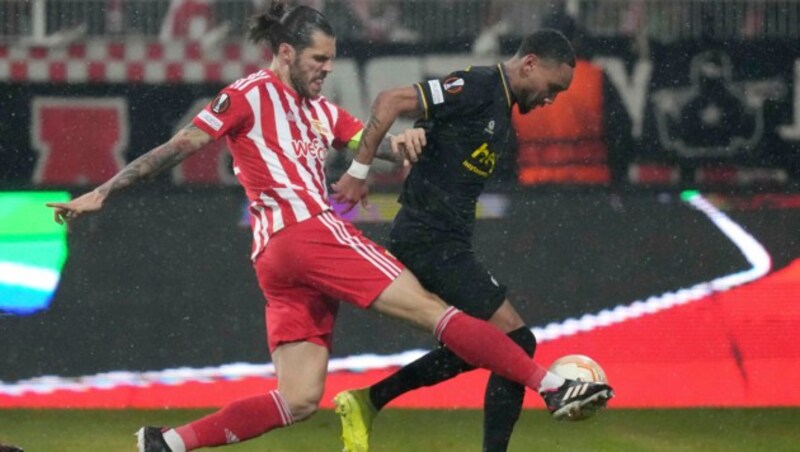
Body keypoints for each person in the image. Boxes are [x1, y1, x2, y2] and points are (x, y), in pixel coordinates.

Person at [47, 3, 612, 451]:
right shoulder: (246, 95)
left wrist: (404, 144)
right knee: (436, 313)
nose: (326, 70)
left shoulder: (319, 110)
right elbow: (179, 146)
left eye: (331, 61)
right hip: (306, 230)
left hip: (275, 261)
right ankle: (552, 385)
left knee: (298, 399)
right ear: (286, 51)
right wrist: (106, 190)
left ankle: (166, 443)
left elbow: (379, 143)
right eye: (318, 60)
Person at [332, 29, 607, 452]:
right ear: (530, 63)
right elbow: (390, 101)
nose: (552, 99)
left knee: (486, 347)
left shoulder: (498, 106)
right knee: (517, 342)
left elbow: (433, 131)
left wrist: (420, 134)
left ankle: (368, 401)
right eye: (553, 88)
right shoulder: (479, 86)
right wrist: (358, 172)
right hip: (428, 238)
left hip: (446, 240)